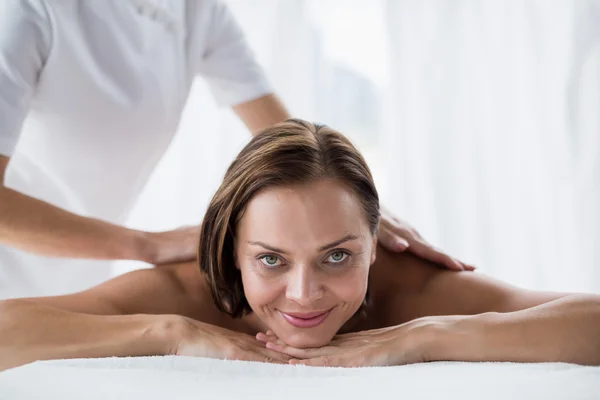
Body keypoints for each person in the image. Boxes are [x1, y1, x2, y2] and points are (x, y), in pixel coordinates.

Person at [1, 119, 598, 371]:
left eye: (338, 255)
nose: (304, 294)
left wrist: (427, 336)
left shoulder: (408, 291)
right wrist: (169, 332)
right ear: (231, 251)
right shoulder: (187, 295)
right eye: (270, 259)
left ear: (376, 244)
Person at [0, 0, 469, 300]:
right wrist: (148, 244)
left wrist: (358, 211)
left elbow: (288, 138)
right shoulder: (27, 12)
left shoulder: (195, 11)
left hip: (76, 273)